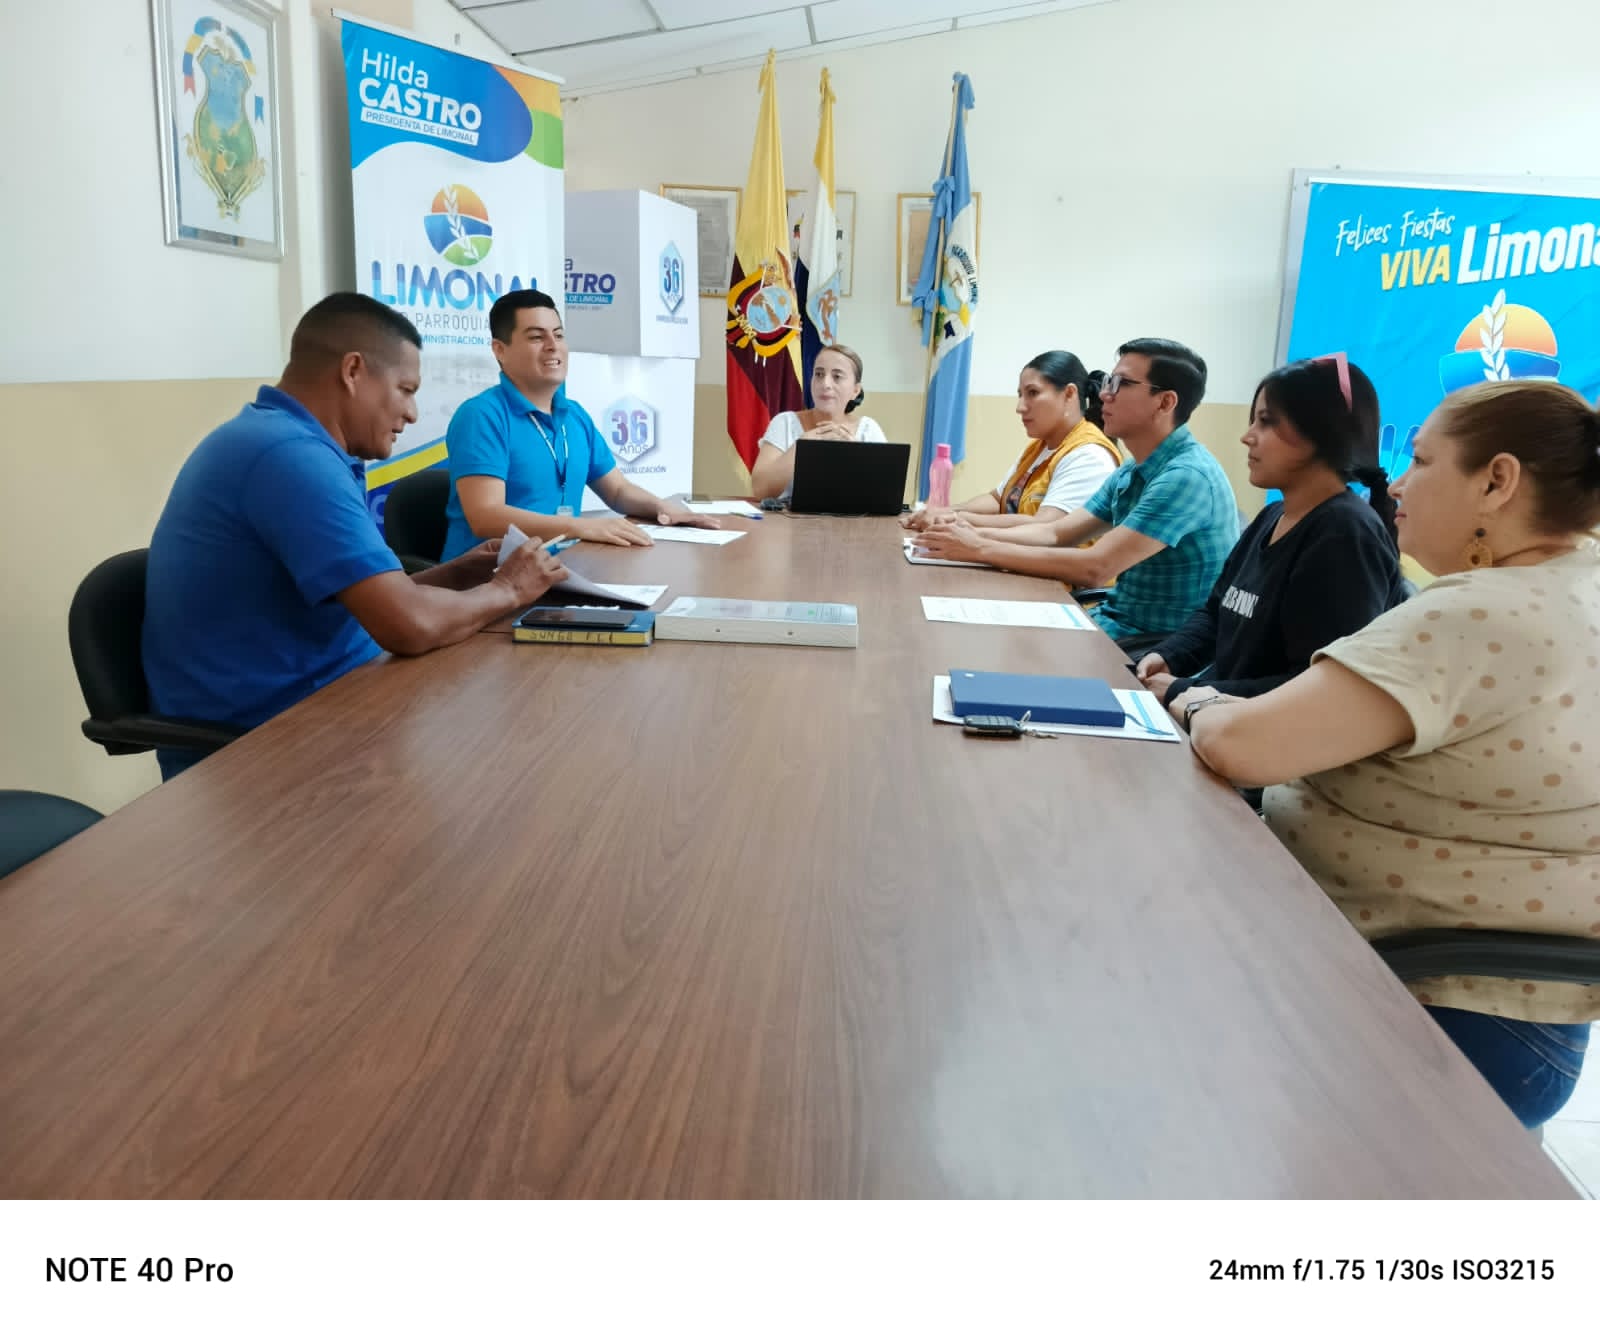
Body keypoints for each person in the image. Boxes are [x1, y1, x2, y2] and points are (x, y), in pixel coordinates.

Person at [1183, 380, 1600, 1128]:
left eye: (1422, 461)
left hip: (1431, 997)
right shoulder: (1578, 575)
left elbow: (1242, 746)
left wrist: (1193, 701)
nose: (1398, 485)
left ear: (1497, 482)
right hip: (1530, 1010)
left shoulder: (1479, 613)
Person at [143, 293, 568, 780]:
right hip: (266, 751)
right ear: (353, 371)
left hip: (336, 700)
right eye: (405, 390)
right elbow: (408, 625)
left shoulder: (290, 443)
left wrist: (457, 575)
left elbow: (378, 600)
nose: (412, 414)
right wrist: (509, 589)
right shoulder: (288, 456)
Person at [915, 338, 1239, 657]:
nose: (1104, 394)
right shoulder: (1133, 470)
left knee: (999, 648)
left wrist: (978, 547)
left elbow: (1096, 567)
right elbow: (1056, 532)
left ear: (1165, 402)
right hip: (1115, 621)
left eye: (1121, 384)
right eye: (1109, 381)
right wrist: (966, 532)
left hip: (1156, 648)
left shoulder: (1185, 476)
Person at [1137, 356, 1405, 713]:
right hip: (1219, 717)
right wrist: (1169, 655)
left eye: (1266, 422)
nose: (1247, 437)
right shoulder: (1272, 515)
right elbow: (1216, 613)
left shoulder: (1344, 535)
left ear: (1318, 432)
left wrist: (1183, 690)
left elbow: (1316, 688)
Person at [442, 289, 721, 557]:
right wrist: (579, 527)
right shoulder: (481, 416)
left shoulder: (574, 415)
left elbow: (617, 490)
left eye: (558, 335)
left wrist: (664, 509)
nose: (553, 346)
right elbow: (486, 516)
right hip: (489, 578)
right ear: (500, 350)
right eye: (537, 337)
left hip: (561, 567)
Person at [903, 350, 1122, 531]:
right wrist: (944, 511)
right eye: (1020, 395)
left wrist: (956, 520)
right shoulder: (1038, 448)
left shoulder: (1090, 455)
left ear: (1069, 394)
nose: (1020, 407)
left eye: (1033, 393)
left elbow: (1045, 526)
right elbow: (997, 500)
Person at [748, 344, 887, 502]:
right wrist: (801, 447)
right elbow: (760, 490)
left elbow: (884, 496)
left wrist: (856, 455)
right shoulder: (785, 423)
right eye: (819, 374)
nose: (825, 384)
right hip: (787, 517)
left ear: (855, 391)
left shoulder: (868, 430)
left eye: (837, 376)